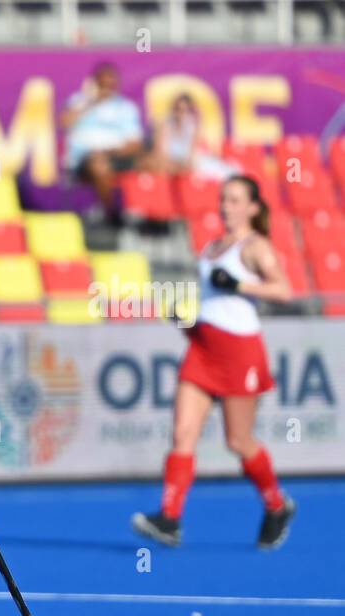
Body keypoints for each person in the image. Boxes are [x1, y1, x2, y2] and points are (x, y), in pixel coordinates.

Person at [133, 175, 297, 550]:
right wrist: (187, 321)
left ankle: (276, 504)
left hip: (240, 352)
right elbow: (213, 303)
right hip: (204, 348)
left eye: (236, 200)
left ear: (253, 207)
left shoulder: (256, 247)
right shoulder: (210, 247)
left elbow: (284, 290)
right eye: (224, 199)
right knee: (182, 433)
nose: (227, 206)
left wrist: (238, 285)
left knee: (238, 441)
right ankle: (170, 518)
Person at [60, 62, 144, 223]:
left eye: (110, 84)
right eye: (102, 84)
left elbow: (135, 143)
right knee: (99, 164)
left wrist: (110, 152)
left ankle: (153, 217)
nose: (106, 88)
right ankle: (112, 214)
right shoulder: (79, 102)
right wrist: (91, 101)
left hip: (117, 156)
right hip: (84, 161)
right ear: (93, 83)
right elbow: (65, 123)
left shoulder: (126, 107)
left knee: (152, 163)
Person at [139, 93, 238, 181]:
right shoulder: (165, 124)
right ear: (173, 109)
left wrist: (185, 165)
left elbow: (192, 154)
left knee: (221, 171)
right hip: (171, 163)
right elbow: (160, 153)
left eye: (185, 110)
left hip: (189, 162)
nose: (180, 113)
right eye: (177, 109)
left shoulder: (192, 125)